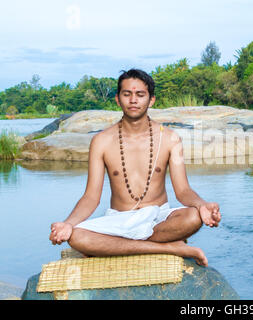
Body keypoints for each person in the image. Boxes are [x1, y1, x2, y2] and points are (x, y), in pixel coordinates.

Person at [49, 69, 221, 266]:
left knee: (193, 217)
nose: (133, 100)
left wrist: (202, 205)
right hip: (119, 220)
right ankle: (170, 248)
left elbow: (183, 190)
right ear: (117, 99)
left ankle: (118, 247)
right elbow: (91, 197)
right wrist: (68, 224)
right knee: (77, 236)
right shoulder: (101, 141)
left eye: (140, 95)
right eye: (127, 94)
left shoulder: (170, 138)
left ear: (151, 100)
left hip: (159, 218)